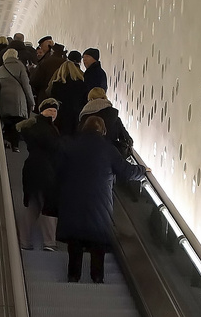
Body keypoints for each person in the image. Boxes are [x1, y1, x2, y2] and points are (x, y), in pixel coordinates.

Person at [56, 115, 140, 283]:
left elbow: (58, 170)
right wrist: (142, 171)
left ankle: (73, 276)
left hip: (73, 200)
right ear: (103, 130)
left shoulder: (70, 146)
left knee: (75, 240)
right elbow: (126, 171)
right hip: (99, 202)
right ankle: (97, 277)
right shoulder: (107, 149)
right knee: (98, 241)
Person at [16, 98, 64, 251]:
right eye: (50, 110)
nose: (52, 113)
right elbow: (55, 148)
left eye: (55, 111)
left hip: (30, 169)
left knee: (33, 206)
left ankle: (24, 241)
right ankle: (49, 242)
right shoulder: (48, 128)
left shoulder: (31, 126)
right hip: (46, 171)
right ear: (42, 111)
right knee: (48, 206)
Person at [0, 47, 34, 150]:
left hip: (5, 101)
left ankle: (6, 142)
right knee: (17, 124)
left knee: (8, 122)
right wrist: (31, 101)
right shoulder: (20, 67)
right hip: (18, 102)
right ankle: (15, 145)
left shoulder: (2, 68)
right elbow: (26, 86)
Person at [79, 88, 134, 157]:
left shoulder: (84, 116)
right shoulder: (114, 115)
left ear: (90, 99)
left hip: (88, 155)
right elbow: (126, 138)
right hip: (110, 156)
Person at [47, 56, 89, 134]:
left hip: (61, 116)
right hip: (76, 116)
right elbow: (85, 101)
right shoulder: (81, 84)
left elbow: (53, 101)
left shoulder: (57, 84)